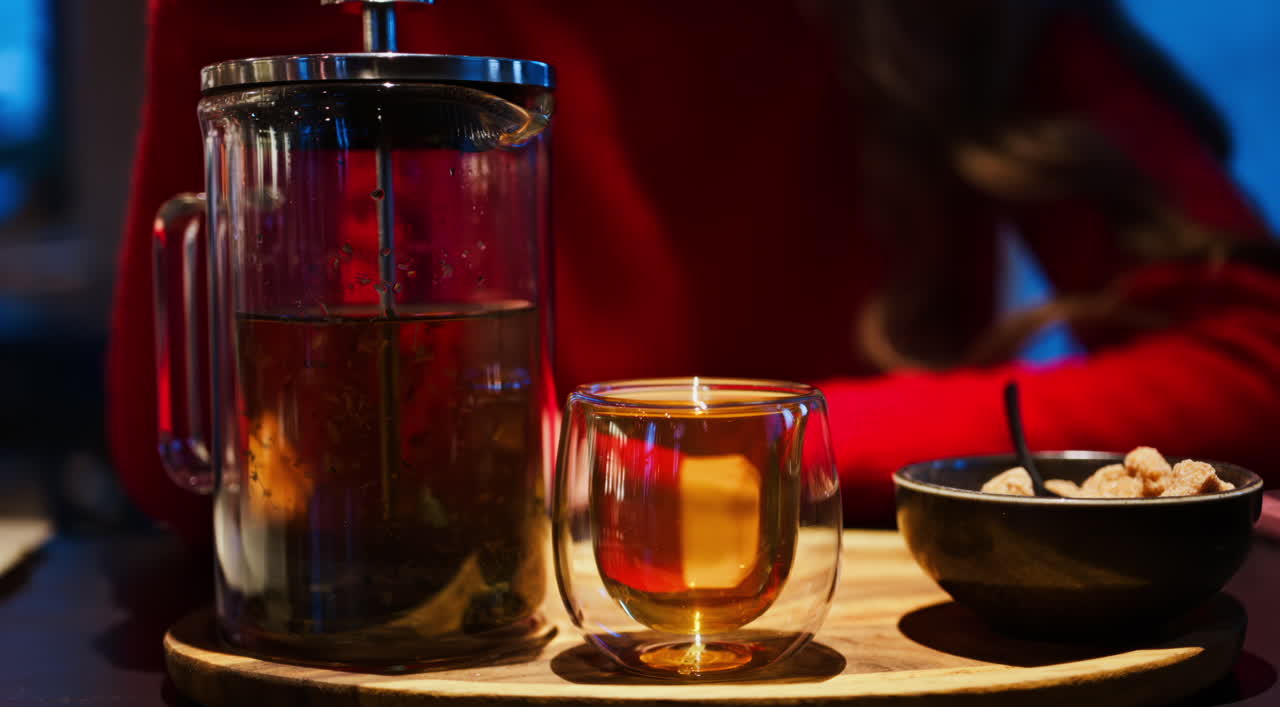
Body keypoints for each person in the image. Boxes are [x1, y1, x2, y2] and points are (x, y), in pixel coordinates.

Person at [108, 0, 1280, 542]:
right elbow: (227, 464)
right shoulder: (357, 26)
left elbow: (1252, 359)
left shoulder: (949, 24)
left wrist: (730, 452)